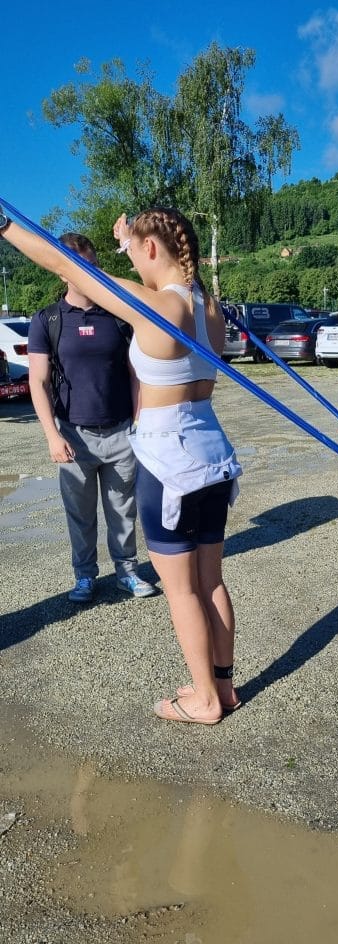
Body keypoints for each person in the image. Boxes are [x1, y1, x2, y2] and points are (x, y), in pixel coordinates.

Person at [0, 204, 242, 725]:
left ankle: (202, 701)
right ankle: (221, 687)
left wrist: (5, 225)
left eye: (134, 253)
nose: (130, 264)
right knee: (211, 583)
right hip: (213, 455)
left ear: (152, 249)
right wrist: (127, 238)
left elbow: (68, 267)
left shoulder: (161, 309)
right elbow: (148, 265)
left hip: (168, 463)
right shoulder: (208, 306)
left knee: (181, 591)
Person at [27, 232, 155, 603]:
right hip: (73, 436)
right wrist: (52, 435)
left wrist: (139, 422)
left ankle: (127, 572)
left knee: (123, 511)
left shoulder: (118, 317)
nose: (87, 272)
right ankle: (84, 577)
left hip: (120, 433)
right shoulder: (48, 319)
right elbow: (37, 381)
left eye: (91, 264)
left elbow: (135, 374)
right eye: (77, 266)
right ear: (62, 271)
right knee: (80, 516)